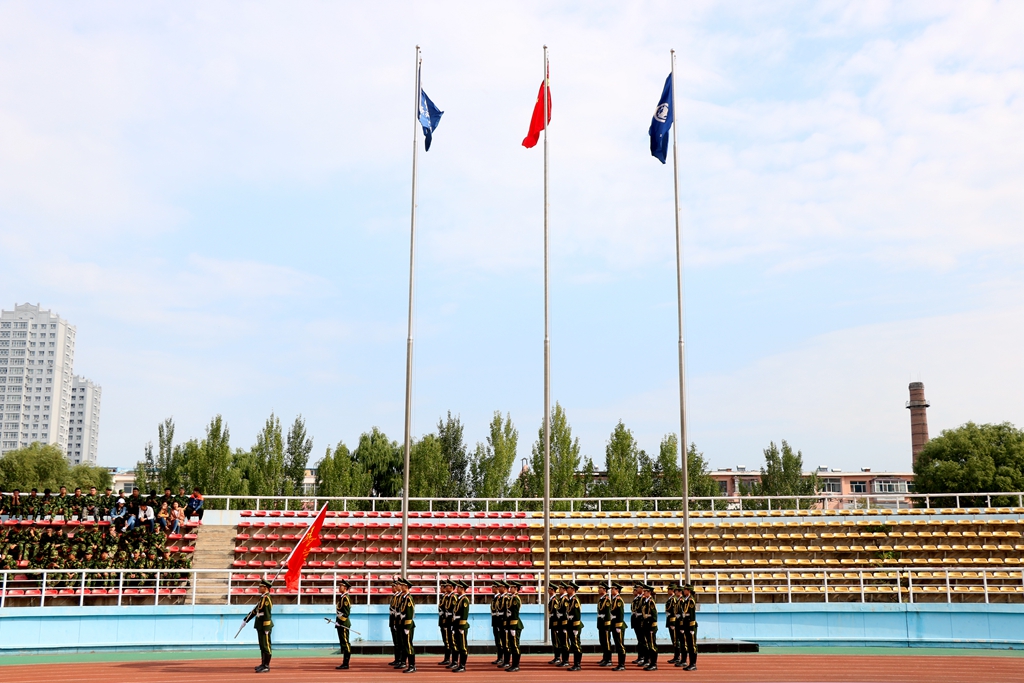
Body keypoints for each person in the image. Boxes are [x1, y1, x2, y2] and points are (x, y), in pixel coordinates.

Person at [245, 578, 274, 673]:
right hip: (260, 625)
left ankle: (266, 666)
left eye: (260, 587)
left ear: (265, 588)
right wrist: (246, 619)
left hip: (265, 626)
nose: (259, 588)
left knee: (266, 646)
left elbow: (267, 614)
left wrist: (266, 627)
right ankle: (263, 664)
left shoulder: (267, 599)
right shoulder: (262, 598)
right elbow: (255, 611)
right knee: (262, 645)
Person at [398, 577, 416, 673]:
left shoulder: (409, 598)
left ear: (406, 586)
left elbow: (409, 613)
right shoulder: (404, 598)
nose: (401, 587)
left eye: (402, 585)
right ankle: (408, 664)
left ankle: (412, 666)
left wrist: (407, 626)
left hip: (407, 625)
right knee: (405, 645)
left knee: (409, 645)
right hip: (403, 624)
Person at [451, 580, 470, 673]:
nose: (456, 589)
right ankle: (459, 664)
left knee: (463, 646)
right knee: (458, 645)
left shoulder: (464, 600)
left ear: (462, 588)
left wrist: (461, 626)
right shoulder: (459, 599)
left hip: (461, 626)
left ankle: (462, 665)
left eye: (458, 587)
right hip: (457, 624)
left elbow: (464, 614)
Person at [504, 581, 523, 672]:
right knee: (512, 645)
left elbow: (515, 613)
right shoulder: (511, 598)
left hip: (515, 625)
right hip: (511, 624)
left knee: (515, 646)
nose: (510, 589)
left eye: (511, 587)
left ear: (515, 588)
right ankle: (513, 664)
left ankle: (516, 665)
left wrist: (513, 627)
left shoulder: (515, 599)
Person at [639, 584, 659, 671]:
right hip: (646, 625)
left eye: (646, 591)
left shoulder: (651, 602)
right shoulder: (645, 601)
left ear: (649, 592)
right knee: (649, 644)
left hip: (650, 626)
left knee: (652, 645)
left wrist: (651, 626)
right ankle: (651, 662)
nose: (644, 593)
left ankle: (654, 664)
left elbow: (654, 616)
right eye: (644, 591)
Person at [679, 584, 698, 671]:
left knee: (692, 645)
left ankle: (693, 664)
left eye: (685, 589)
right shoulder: (686, 600)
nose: (684, 591)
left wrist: (692, 628)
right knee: (689, 645)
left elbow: (692, 615)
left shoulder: (691, 601)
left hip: (690, 625)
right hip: (686, 624)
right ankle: (690, 663)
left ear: (689, 591)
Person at [564, 581, 583, 671]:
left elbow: (577, 614)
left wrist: (575, 627)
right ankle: (576, 664)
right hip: (570, 625)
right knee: (573, 644)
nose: (567, 589)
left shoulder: (575, 600)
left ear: (573, 589)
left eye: (568, 588)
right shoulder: (570, 599)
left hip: (575, 626)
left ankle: (577, 664)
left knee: (576, 645)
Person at [335, 579, 352, 670]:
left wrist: (340, 622)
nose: (339, 587)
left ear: (345, 588)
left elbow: (346, 613)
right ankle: (344, 662)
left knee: (345, 643)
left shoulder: (345, 598)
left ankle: (346, 663)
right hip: (340, 622)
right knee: (343, 643)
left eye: (341, 586)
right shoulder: (342, 597)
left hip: (344, 623)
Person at [609, 583, 627, 671]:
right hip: (614, 624)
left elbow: (620, 614)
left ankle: (622, 664)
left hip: (618, 625)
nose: (611, 590)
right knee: (617, 644)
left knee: (620, 645)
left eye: (613, 589)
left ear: (617, 590)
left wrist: (618, 626)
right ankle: (620, 664)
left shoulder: (619, 600)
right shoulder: (614, 599)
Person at [389, 577, 405, 669]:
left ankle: (400, 660)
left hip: (398, 621)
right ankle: (397, 659)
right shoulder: (395, 596)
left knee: (400, 642)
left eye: (394, 586)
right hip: (394, 621)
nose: (393, 588)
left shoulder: (400, 596)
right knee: (396, 642)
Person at [437, 579, 454, 667]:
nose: (441, 589)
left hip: (447, 622)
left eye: (442, 587)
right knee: (446, 640)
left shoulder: (449, 597)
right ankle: (447, 658)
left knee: (448, 641)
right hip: (443, 621)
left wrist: (444, 620)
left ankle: (448, 659)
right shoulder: (444, 597)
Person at [491, 580, 507, 667]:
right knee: (498, 640)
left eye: (494, 587)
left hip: (499, 621)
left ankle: (501, 658)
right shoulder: (496, 598)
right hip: (495, 621)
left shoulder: (500, 598)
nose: (492, 589)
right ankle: (499, 657)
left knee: (501, 641)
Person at [596, 583, 612, 666]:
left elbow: (608, 613)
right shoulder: (601, 599)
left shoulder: (607, 600)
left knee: (606, 642)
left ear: (604, 590)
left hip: (605, 624)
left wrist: (607, 624)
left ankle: (608, 659)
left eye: (600, 588)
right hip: (601, 623)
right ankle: (605, 658)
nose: (598, 590)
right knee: (602, 641)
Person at [630, 582, 645, 667]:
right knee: (640, 640)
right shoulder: (637, 599)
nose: (634, 591)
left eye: (636, 589)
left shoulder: (643, 598)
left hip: (641, 621)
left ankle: (643, 657)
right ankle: (640, 656)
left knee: (642, 640)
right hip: (636, 621)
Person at [665, 584, 680, 664]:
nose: (668, 591)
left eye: (669, 589)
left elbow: (674, 611)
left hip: (673, 621)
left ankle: (677, 656)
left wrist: (673, 623)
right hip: (670, 620)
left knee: (675, 639)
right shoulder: (671, 599)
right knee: (673, 639)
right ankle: (676, 656)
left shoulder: (673, 599)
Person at [546, 583, 560, 665]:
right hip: (553, 623)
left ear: (552, 590)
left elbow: (556, 612)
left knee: (556, 641)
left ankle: (558, 657)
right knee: (554, 641)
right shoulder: (552, 599)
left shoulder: (555, 600)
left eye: (549, 589)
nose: (548, 590)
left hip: (555, 623)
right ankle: (556, 657)